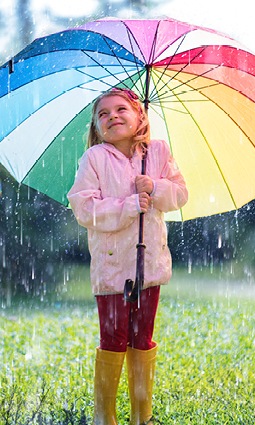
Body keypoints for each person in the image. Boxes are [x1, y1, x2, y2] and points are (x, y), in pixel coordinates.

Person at [67, 88, 188, 425]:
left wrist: (154, 186)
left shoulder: (158, 153)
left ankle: (142, 416)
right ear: (96, 126)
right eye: (103, 114)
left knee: (141, 336)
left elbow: (180, 194)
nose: (113, 117)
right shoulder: (94, 158)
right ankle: (104, 418)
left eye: (121, 110)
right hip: (112, 267)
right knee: (114, 337)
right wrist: (128, 205)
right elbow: (84, 207)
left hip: (149, 265)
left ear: (140, 117)